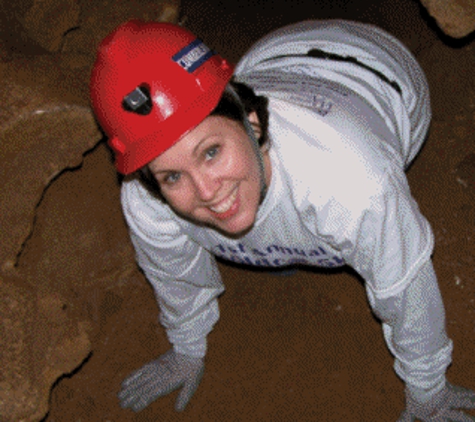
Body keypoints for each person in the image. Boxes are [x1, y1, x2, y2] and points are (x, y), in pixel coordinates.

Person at [90, 19, 475, 421]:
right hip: (270, 58)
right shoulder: (146, 198)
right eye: (172, 176)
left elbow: (405, 288)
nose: (206, 191)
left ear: (253, 123)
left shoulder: (351, 182)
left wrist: (427, 390)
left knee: (349, 218)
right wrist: (187, 349)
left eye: (210, 152)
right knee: (249, 207)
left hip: (386, 75)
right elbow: (174, 275)